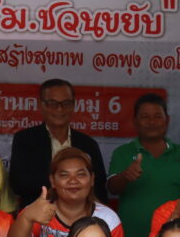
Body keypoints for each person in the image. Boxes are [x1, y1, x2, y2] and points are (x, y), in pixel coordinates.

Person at [8, 147, 125, 237]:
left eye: (80, 174)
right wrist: (27, 217)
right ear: (53, 181)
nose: (73, 181)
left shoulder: (109, 220)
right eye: (64, 175)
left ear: (92, 179)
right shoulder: (37, 212)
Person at [108, 93, 180, 237]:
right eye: (145, 116)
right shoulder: (123, 153)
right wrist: (125, 176)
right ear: (135, 121)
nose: (152, 122)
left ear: (167, 120)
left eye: (157, 116)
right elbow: (111, 188)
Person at [9, 78, 108, 208]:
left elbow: (99, 187)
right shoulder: (25, 139)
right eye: (52, 103)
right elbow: (18, 184)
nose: (60, 109)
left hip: (80, 215)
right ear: (41, 105)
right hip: (37, 213)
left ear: (73, 105)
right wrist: (62, 189)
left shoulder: (88, 144)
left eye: (66, 103)